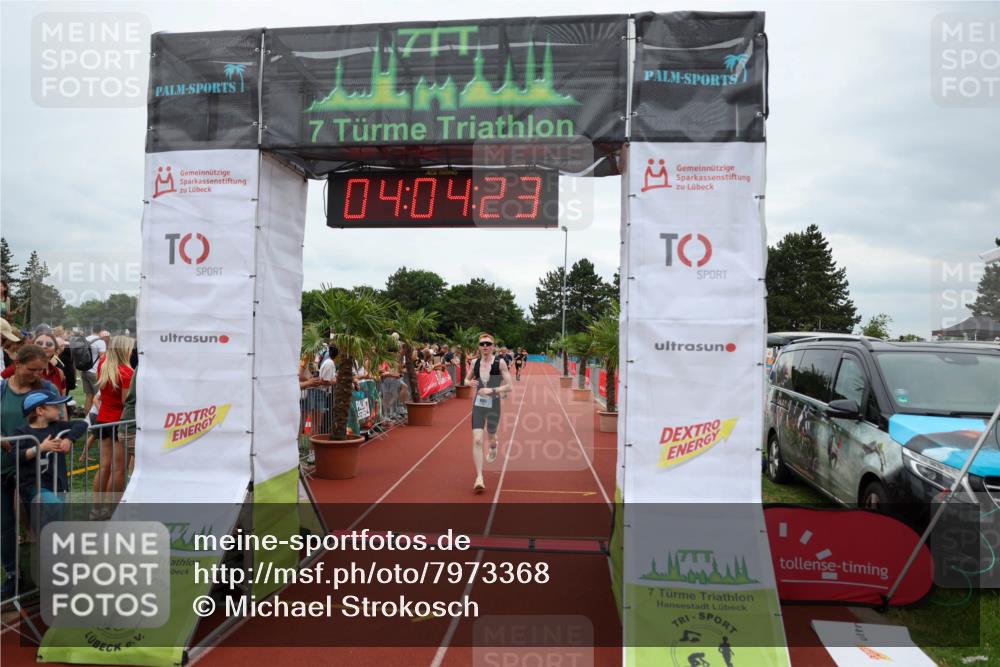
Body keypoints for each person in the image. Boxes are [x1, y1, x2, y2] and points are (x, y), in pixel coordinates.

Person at [0, 345, 60, 599]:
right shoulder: (2, 389)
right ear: (16, 361)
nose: (37, 374)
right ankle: (14, 576)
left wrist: (60, 439)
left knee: (45, 520)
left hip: (37, 469)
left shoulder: (48, 389)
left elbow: (61, 422)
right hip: (4, 466)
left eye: (41, 370)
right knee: (5, 524)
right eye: (31, 369)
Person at [13, 391, 88, 530]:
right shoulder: (21, 432)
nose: (59, 409)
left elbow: (82, 424)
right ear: (40, 410)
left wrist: (69, 439)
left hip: (58, 482)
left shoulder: (58, 426)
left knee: (56, 518)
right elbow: (17, 455)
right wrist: (40, 448)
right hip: (34, 484)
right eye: (54, 406)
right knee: (53, 507)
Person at [465, 332, 512, 493]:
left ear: (493, 347)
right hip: (478, 405)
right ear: (479, 347)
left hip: (494, 404)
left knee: (491, 436)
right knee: (477, 440)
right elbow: (466, 379)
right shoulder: (474, 363)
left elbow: (509, 386)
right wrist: (468, 382)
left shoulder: (500, 363)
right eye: (482, 344)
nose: (485, 347)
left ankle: (493, 445)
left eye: (488, 344)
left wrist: (492, 389)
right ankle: (479, 477)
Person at [91, 335, 135, 506]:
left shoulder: (103, 366)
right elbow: (126, 401)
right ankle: (110, 508)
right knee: (118, 470)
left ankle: (96, 506)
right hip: (120, 422)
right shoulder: (127, 372)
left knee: (104, 466)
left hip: (103, 420)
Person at [81, 325, 107, 416]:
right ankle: (92, 419)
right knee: (97, 397)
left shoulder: (86, 339)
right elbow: (103, 358)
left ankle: (86, 417)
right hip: (94, 372)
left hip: (84, 370)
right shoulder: (100, 341)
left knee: (88, 396)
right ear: (101, 331)